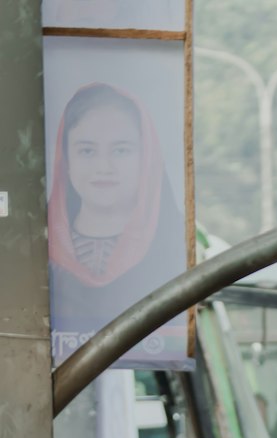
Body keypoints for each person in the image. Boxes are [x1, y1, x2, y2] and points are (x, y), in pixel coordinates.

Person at [47, 83, 186, 337]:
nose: (104, 166)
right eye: (86, 150)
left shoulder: (176, 244)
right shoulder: (34, 245)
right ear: (65, 159)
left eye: (121, 150)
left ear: (146, 158)